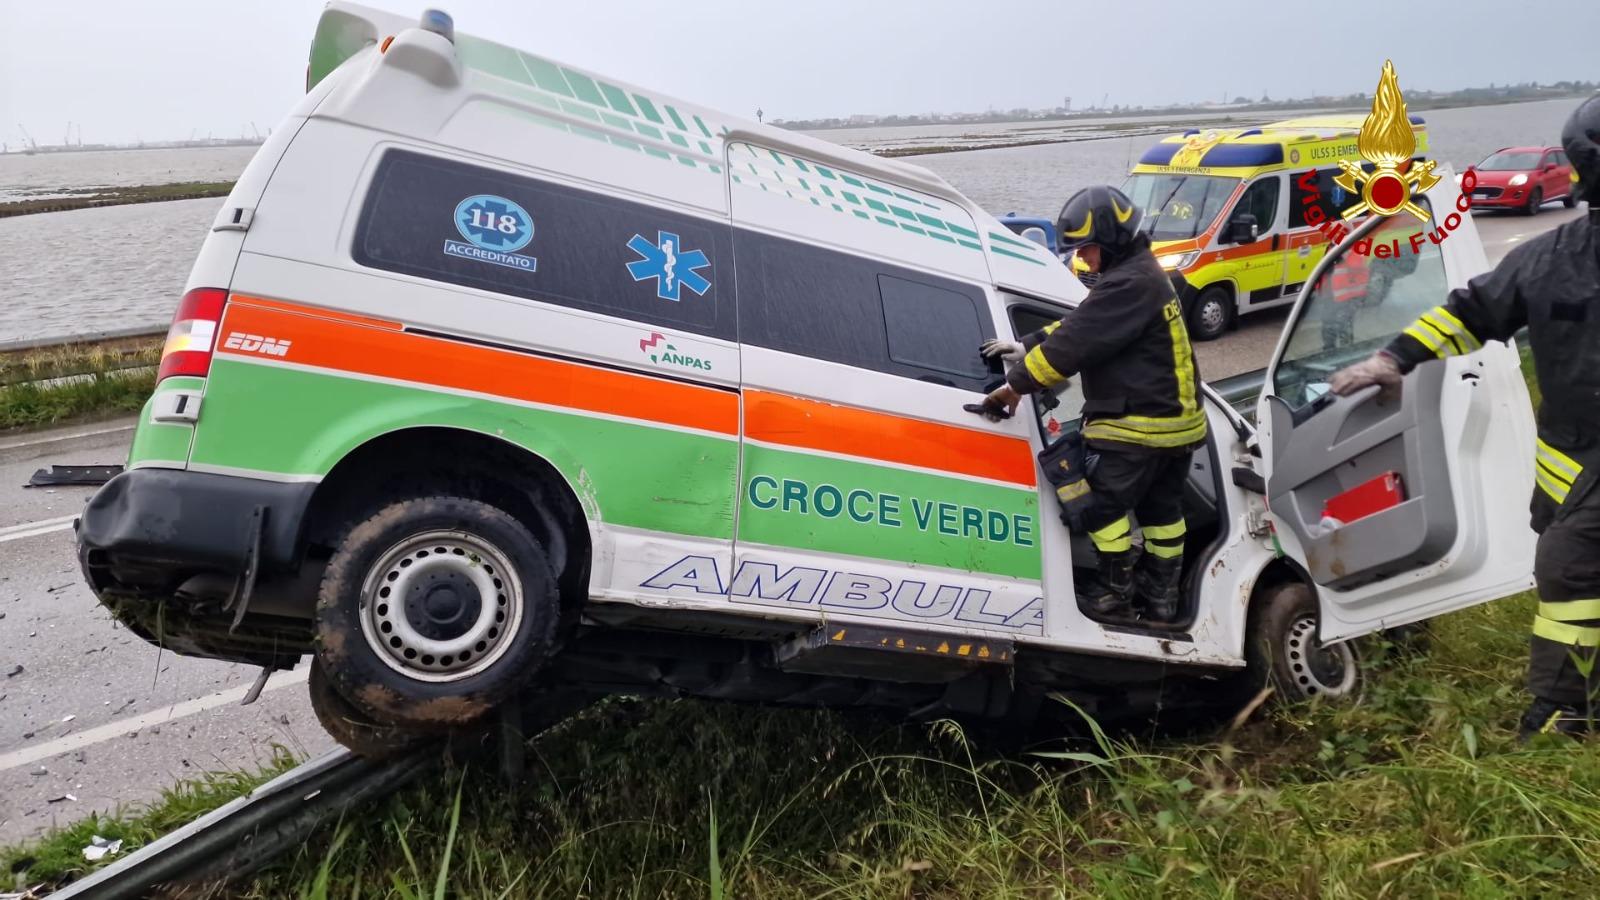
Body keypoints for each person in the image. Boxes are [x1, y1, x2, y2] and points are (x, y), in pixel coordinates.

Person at [1329, 93, 1600, 739]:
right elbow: (1471, 310)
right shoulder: (1553, 257)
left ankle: (1564, 712)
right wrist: (1393, 359)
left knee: (1569, 571)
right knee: (1569, 563)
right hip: (1573, 460)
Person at [976, 185, 1207, 623]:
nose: (1082, 260)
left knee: (1096, 506)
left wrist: (1013, 388)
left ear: (1112, 242)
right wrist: (1026, 344)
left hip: (1138, 428)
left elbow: (1078, 342)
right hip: (1176, 429)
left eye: (1087, 250)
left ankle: (1114, 594)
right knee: (1163, 517)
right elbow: (1084, 323)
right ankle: (1161, 598)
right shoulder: (1142, 276)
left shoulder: (1129, 283)